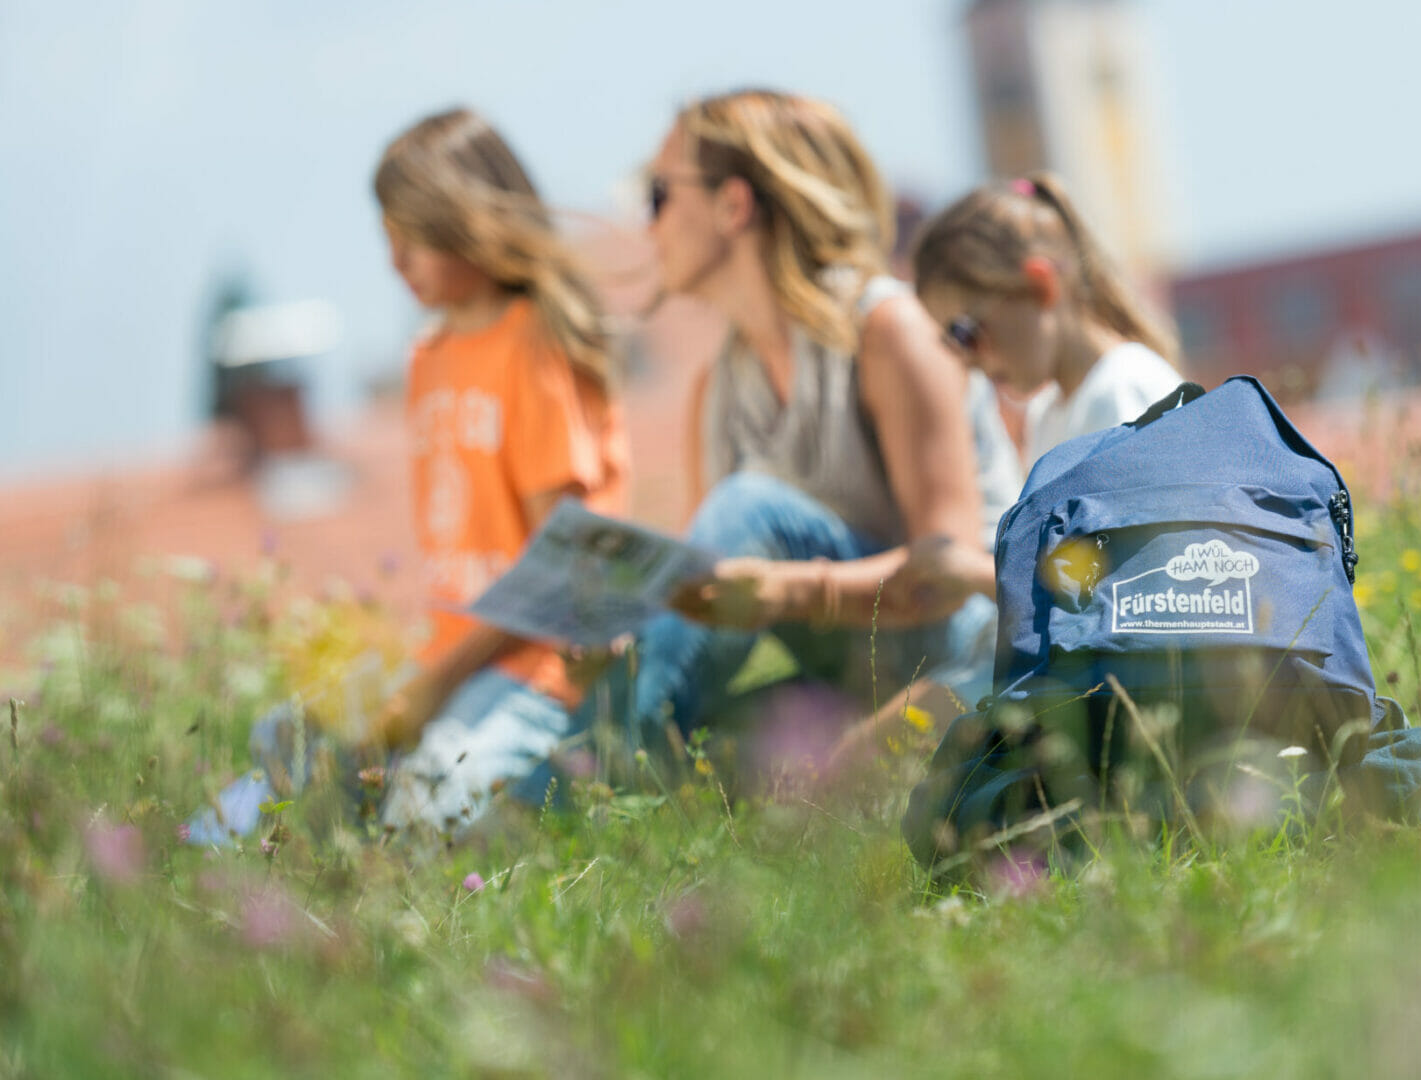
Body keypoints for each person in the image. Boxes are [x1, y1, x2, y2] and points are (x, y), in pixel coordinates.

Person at [624, 88, 1002, 756]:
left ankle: (616, 771)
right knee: (719, 745)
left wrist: (791, 590)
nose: (646, 224)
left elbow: (951, 573)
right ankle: (600, 772)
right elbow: (711, 616)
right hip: (844, 675)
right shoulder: (717, 388)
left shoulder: (889, 331)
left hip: (961, 654)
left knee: (744, 510)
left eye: (658, 194)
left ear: (733, 205)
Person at [370, 107, 629, 831]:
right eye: (385, 238)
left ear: (467, 221)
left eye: (410, 236)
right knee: (287, 748)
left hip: (538, 670)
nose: (395, 263)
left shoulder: (534, 345)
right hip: (453, 663)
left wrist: (432, 687)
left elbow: (563, 558)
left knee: (422, 812)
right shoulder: (427, 359)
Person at [877, 171, 1184, 617]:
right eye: (950, 343)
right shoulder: (1050, 413)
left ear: (1041, 286)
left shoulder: (1122, 388)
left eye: (966, 332)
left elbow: (1129, 580)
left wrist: (970, 570)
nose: (966, 359)